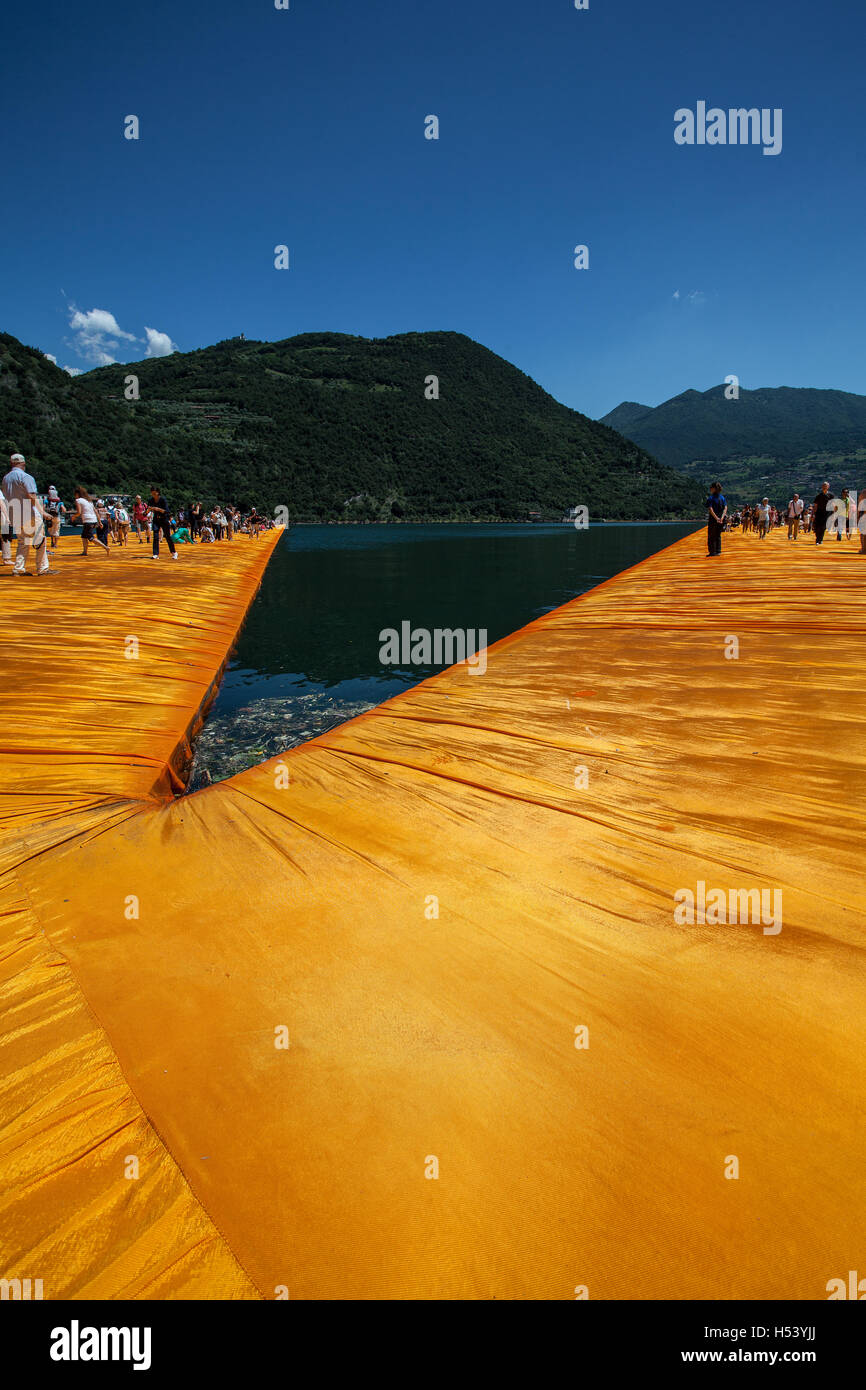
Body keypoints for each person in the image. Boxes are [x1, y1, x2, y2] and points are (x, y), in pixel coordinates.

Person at [2, 453, 50, 577]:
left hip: (15, 513)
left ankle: (18, 568)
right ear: (23, 463)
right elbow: (32, 496)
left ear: (11, 463)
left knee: (22, 542)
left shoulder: (6, 479)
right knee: (40, 541)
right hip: (29, 513)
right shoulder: (26, 477)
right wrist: (43, 512)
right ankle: (42, 568)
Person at [72, 487, 108, 555]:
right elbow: (96, 512)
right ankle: (85, 552)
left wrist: (74, 516)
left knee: (91, 538)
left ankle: (106, 547)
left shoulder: (78, 500)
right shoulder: (89, 501)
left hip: (88, 521)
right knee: (84, 536)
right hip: (94, 520)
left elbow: (79, 512)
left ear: (77, 494)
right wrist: (99, 522)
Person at [148, 486, 178, 559]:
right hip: (156, 519)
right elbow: (149, 508)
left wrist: (157, 509)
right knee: (155, 536)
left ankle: (174, 552)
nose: (153, 495)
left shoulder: (163, 500)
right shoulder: (151, 500)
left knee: (167, 536)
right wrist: (146, 511)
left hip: (164, 519)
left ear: (158, 493)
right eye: (152, 494)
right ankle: (155, 554)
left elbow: (166, 511)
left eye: (154, 493)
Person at [705, 481, 727, 556]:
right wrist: (722, 517)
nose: (710, 489)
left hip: (713, 519)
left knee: (711, 535)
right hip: (721, 518)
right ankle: (718, 550)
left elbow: (710, 509)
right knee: (718, 535)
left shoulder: (711, 498)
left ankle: (712, 552)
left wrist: (716, 518)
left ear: (714, 488)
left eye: (711, 487)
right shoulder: (722, 497)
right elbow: (725, 508)